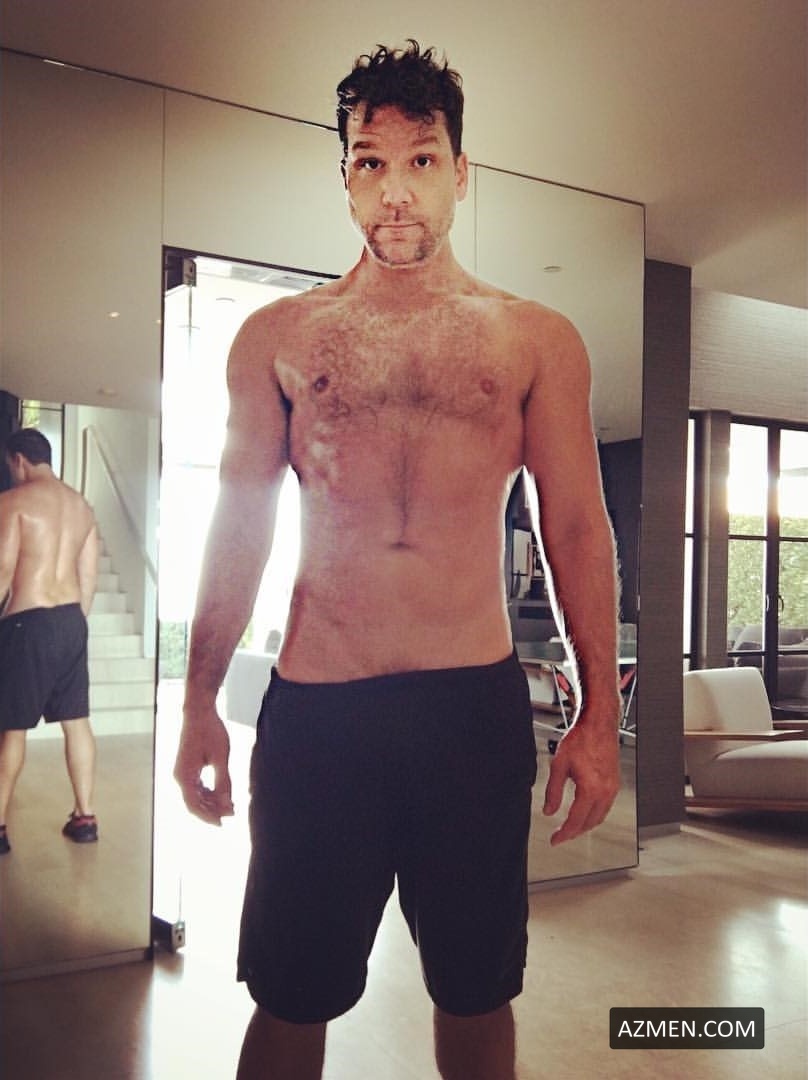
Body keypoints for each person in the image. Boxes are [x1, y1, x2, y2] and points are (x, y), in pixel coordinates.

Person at [175, 41, 621, 1080]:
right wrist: (198, 700)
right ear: (344, 178)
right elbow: (238, 523)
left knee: (475, 991)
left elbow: (575, 528)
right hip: (319, 712)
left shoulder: (535, 339)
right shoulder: (279, 338)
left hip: (469, 715)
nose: (395, 191)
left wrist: (599, 715)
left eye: (421, 160)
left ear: (462, 173)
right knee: (291, 993)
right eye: (369, 163)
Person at [0, 427, 100, 854]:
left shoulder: (13, 502)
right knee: (76, 721)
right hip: (72, 621)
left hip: (28, 622)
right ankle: (85, 817)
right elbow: (89, 576)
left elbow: (3, 571)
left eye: (10, 464)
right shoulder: (81, 507)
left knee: (12, 728)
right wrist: (73, 624)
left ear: (19, 460)